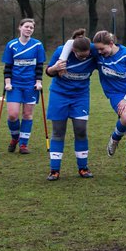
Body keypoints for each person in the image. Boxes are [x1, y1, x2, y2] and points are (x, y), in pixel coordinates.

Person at [44, 28, 97, 180]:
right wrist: (54, 68)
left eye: (86, 56)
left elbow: (105, 50)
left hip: (80, 96)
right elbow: (48, 72)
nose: (83, 58)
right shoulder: (61, 51)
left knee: (81, 130)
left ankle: (83, 168)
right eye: (80, 55)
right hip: (59, 95)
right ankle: (54, 170)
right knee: (58, 131)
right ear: (73, 50)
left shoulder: (92, 50)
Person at [92, 30, 126, 180]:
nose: (99, 52)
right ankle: (115, 138)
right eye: (97, 49)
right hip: (115, 94)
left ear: (111, 43)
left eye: (102, 49)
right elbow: (72, 43)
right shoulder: (98, 51)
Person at [0, 18, 45, 154]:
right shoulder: (11, 45)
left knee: (27, 114)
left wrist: (38, 82)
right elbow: (8, 67)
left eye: (31, 27)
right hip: (15, 85)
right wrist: (7, 83)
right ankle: (15, 138)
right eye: (26, 26)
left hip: (30, 85)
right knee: (13, 115)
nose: (29, 29)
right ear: (20, 28)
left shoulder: (37, 45)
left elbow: (39, 66)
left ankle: (23, 145)